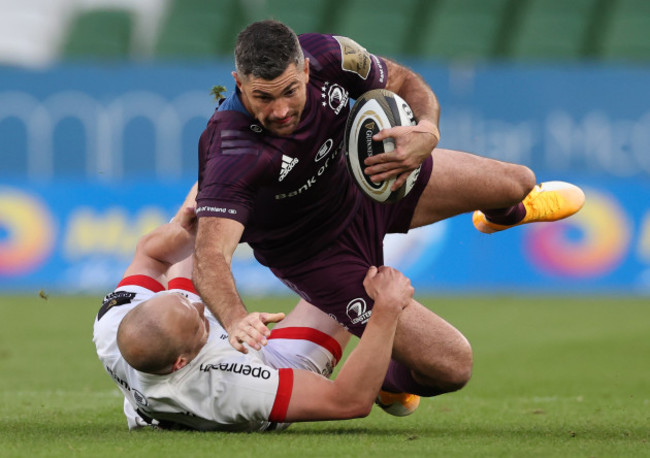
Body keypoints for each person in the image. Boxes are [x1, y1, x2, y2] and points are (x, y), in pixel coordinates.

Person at [193, 20, 585, 413]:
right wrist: (236, 318)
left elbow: (403, 80)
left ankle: (505, 215)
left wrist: (427, 129)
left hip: (372, 184)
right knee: (452, 367)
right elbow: (210, 255)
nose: (279, 110)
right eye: (263, 97)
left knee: (519, 181)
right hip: (319, 256)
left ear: (306, 71)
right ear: (239, 83)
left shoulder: (331, 55)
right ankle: (390, 383)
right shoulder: (230, 150)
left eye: (289, 92)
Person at [93, 185, 416, 431]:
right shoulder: (233, 387)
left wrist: (183, 230)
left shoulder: (114, 324)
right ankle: (390, 385)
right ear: (182, 361)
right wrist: (386, 308)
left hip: (182, 358)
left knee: (210, 196)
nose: (200, 304)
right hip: (275, 371)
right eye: (200, 320)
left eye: (184, 301)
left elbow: (150, 256)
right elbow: (348, 401)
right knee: (357, 279)